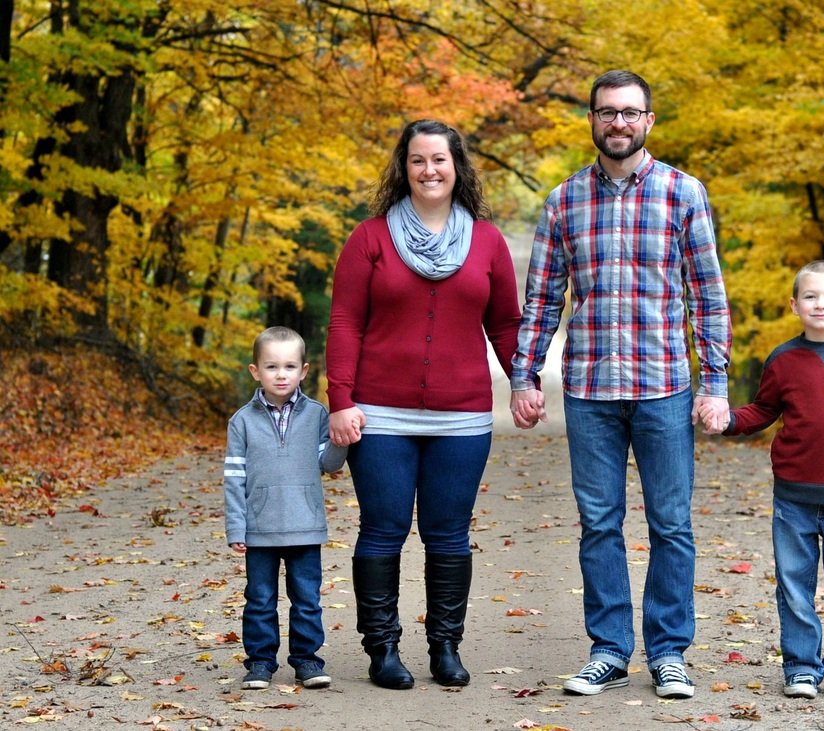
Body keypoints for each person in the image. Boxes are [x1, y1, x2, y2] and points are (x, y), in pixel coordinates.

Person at [510, 70, 732, 700]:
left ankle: (668, 653)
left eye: (630, 113)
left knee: (671, 524)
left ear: (648, 121)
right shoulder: (564, 201)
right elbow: (542, 299)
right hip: (589, 390)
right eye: (607, 113)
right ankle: (608, 649)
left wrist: (714, 384)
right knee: (599, 523)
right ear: (592, 120)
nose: (618, 123)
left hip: (664, 385)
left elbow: (708, 297)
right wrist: (525, 376)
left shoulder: (684, 194)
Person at [326, 119, 521, 690]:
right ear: (403, 167)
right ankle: (382, 649)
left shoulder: (486, 241)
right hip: (379, 412)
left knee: (449, 534)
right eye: (417, 160)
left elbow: (505, 323)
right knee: (383, 529)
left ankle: (445, 646)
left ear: (457, 166)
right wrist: (340, 399)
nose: (429, 170)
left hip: (462, 416)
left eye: (439, 159)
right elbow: (345, 323)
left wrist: (524, 382)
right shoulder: (369, 238)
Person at [699, 260, 824, 701]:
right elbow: (763, 411)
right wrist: (727, 420)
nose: (820, 304)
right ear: (795, 305)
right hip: (793, 496)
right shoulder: (783, 359)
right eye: (810, 296)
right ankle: (801, 667)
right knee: (794, 585)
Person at [223, 326, 348, 691]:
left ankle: (307, 660)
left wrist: (346, 440)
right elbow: (233, 479)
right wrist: (236, 527)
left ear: (304, 371)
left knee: (306, 599)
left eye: (290, 366)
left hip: (304, 525)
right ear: (255, 371)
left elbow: (329, 463)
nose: (281, 374)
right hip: (259, 528)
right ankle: (260, 662)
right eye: (272, 366)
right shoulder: (242, 421)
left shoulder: (317, 415)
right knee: (259, 600)